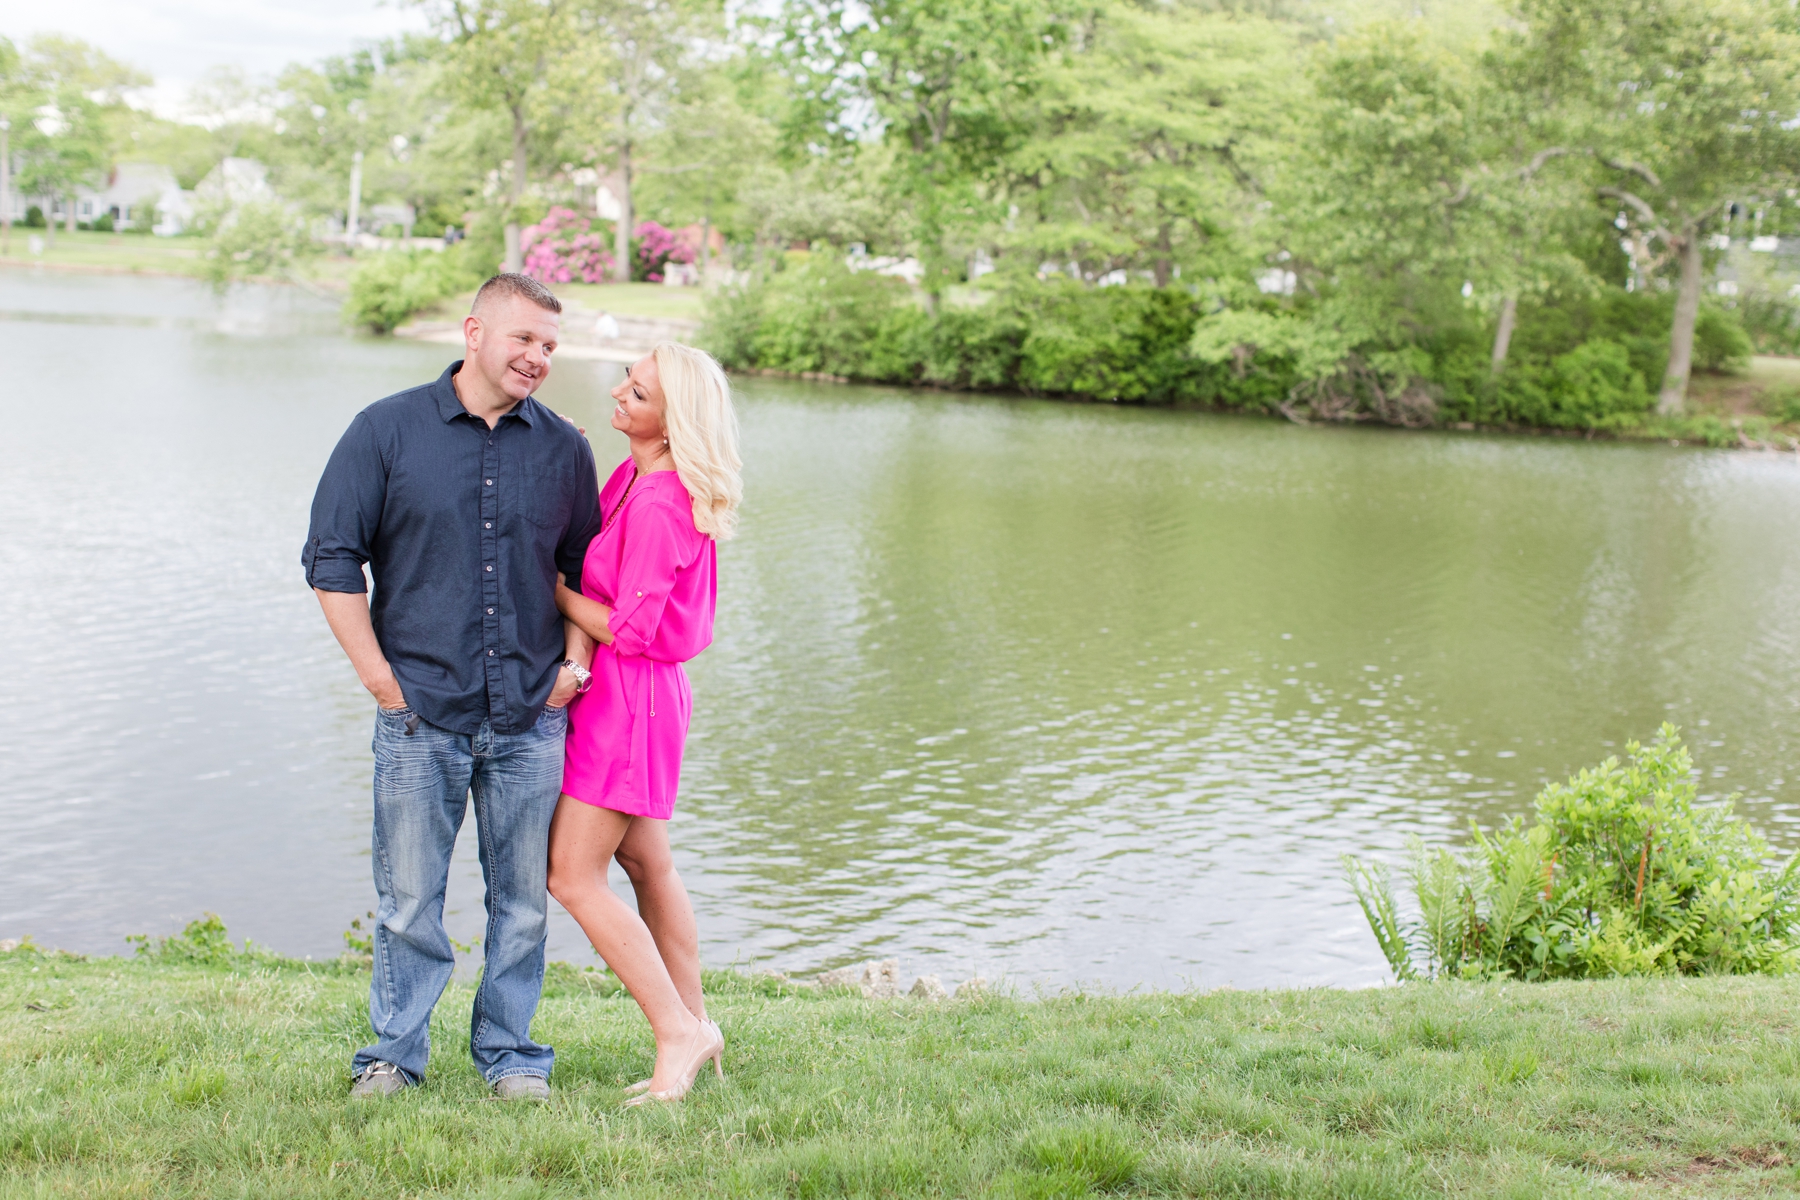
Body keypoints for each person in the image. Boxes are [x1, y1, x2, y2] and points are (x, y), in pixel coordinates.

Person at [302, 272, 601, 1100]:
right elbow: (332, 562)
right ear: (473, 333)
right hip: (418, 716)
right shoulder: (386, 431)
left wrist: (571, 671)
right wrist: (379, 680)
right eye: (523, 339)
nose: (538, 357)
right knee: (407, 905)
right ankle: (393, 1056)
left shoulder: (565, 449)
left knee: (524, 907)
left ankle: (510, 1056)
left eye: (549, 344)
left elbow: (584, 570)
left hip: (530, 720)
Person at [547, 341, 742, 1105]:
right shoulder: (633, 474)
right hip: (628, 696)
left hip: (633, 702)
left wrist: (558, 594)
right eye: (628, 379)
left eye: (641, 392)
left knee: (573, 875)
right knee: (646, 866)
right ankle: (697, 1023)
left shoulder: (661, 502)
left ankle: (677, 1030)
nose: (621, 393)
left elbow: (629, 627)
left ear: (672, 422)